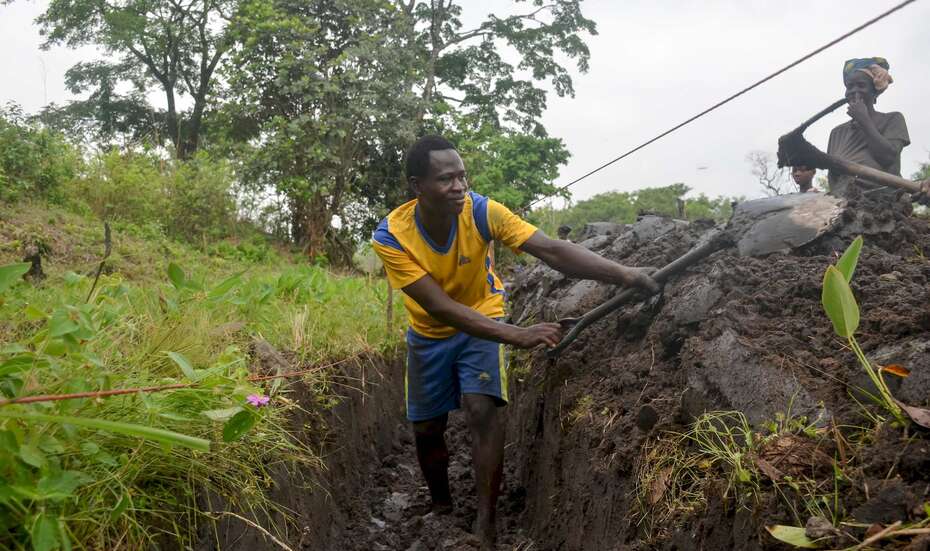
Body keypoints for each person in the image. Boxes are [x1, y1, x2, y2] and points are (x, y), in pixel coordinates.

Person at [371, 135, 659, 549]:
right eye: (446, 179)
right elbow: (440, 307)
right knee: (427, 430)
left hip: (483, 316)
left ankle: (486, 525)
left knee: (482, 409)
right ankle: (441, 509)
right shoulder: (391, 236)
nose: (459, 186)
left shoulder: (484, 211)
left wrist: (624, 274)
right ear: (418, 186)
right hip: (431, 332)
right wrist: (518, 335)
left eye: (462, 176)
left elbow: (553, 250)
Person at [827, 57, 910, 199]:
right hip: (846, 205)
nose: (854, 91)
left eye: (861, 85)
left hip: (883, 203)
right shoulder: (836, 133)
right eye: (849, 86)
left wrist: (864, 121)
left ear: (874, 91)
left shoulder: (893, 119)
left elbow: (888, 157)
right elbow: (832, 177)